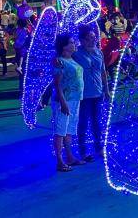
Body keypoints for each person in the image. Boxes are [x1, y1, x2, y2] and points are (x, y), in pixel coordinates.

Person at [72, 25, 110, 162]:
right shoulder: (76, 54)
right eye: (89, 38)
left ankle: (99, 148)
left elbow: (103, 72)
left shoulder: (99, 52)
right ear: (82, 40)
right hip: (83, 95)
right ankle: (82, 151)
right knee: (82, 122)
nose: (93, 40)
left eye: (94, 37)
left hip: (98, 93)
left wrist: (106, 90)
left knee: (97, 122)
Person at [51, 33, 86, 172]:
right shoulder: (59, 61)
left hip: (75, 99)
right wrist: (63, 102)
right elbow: (57, 84)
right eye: (71, 42)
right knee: (60, 130)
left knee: (69, 129)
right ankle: (60, 160)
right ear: (64, 46)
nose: (74, 44)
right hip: (64, 101)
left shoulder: (72, 59)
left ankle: (70, 156)